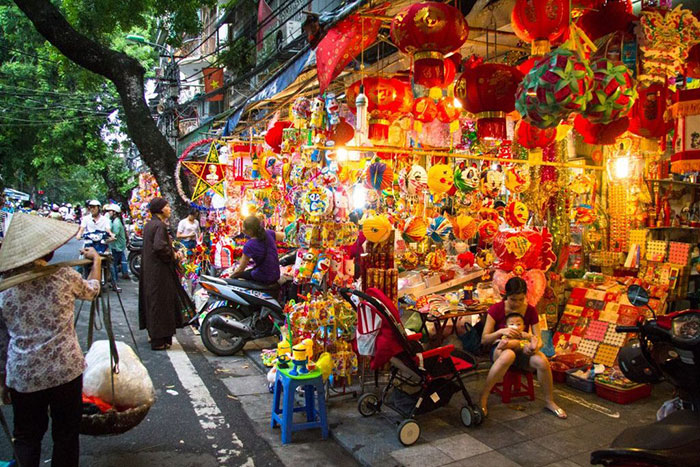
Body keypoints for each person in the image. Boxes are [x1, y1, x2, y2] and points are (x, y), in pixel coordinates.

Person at [0, 212, 102, 467]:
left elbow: (3, 338)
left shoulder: (6, 286)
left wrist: (4, 377)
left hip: (24, 373)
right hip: (63, 371)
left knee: (26, 437)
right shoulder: (63, 276)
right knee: (66, 435)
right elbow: (92, 291)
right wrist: (96, 262)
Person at [479, 277, 566, 419]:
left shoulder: (530, 311)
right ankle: (483, 398)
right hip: (500, 350)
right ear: (506, 295)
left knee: (542, 360)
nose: (517, 303)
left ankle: (549, 401)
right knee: (508, 355)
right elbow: (484, 339)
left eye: (521, 299)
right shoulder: (496, 309)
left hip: (522, 349)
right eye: (513, 299)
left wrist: (533, 347)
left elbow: (539, 339)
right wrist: (501, 332)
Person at [138, 197, 194, 350]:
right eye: (167, 206)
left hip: (152, 271)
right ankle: (159, 340)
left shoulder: (150, 225)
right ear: (161, 210)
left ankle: (156, 335)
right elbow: (160, 247)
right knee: (161, 304)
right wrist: (174, 255)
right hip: (159, 272)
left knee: (154, 302)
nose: (170, 209)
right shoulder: (159, 226)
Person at [231, 215, 284, 284]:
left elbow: (240, 269)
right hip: (276, 274)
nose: (242, 228)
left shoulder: (249, 245)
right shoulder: (269, 233)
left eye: (243, 227)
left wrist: (230, 277)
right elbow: (284, 236)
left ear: (249, 231)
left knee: (241, 275)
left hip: (264, 276)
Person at [104, 204, 130, 284]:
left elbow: (114, 235)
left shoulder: (116, 223)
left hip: (117, 246)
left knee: (113, 264)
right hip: (117, 245)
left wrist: (106, 241)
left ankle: (114, 282)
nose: (109, 213)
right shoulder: (115, 221)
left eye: (110, 211)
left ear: (115, 212)